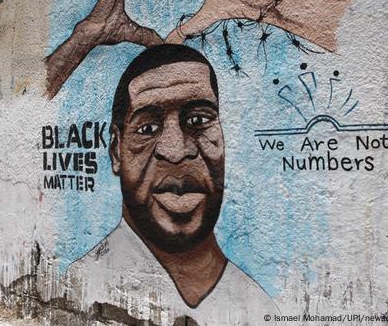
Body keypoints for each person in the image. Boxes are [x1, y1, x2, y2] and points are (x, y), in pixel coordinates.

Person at [65, 44, 277, 324]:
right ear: (116, 151)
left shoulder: (259, 307)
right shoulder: (84, 286)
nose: (176, 152)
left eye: (198, 120)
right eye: (147, 129)